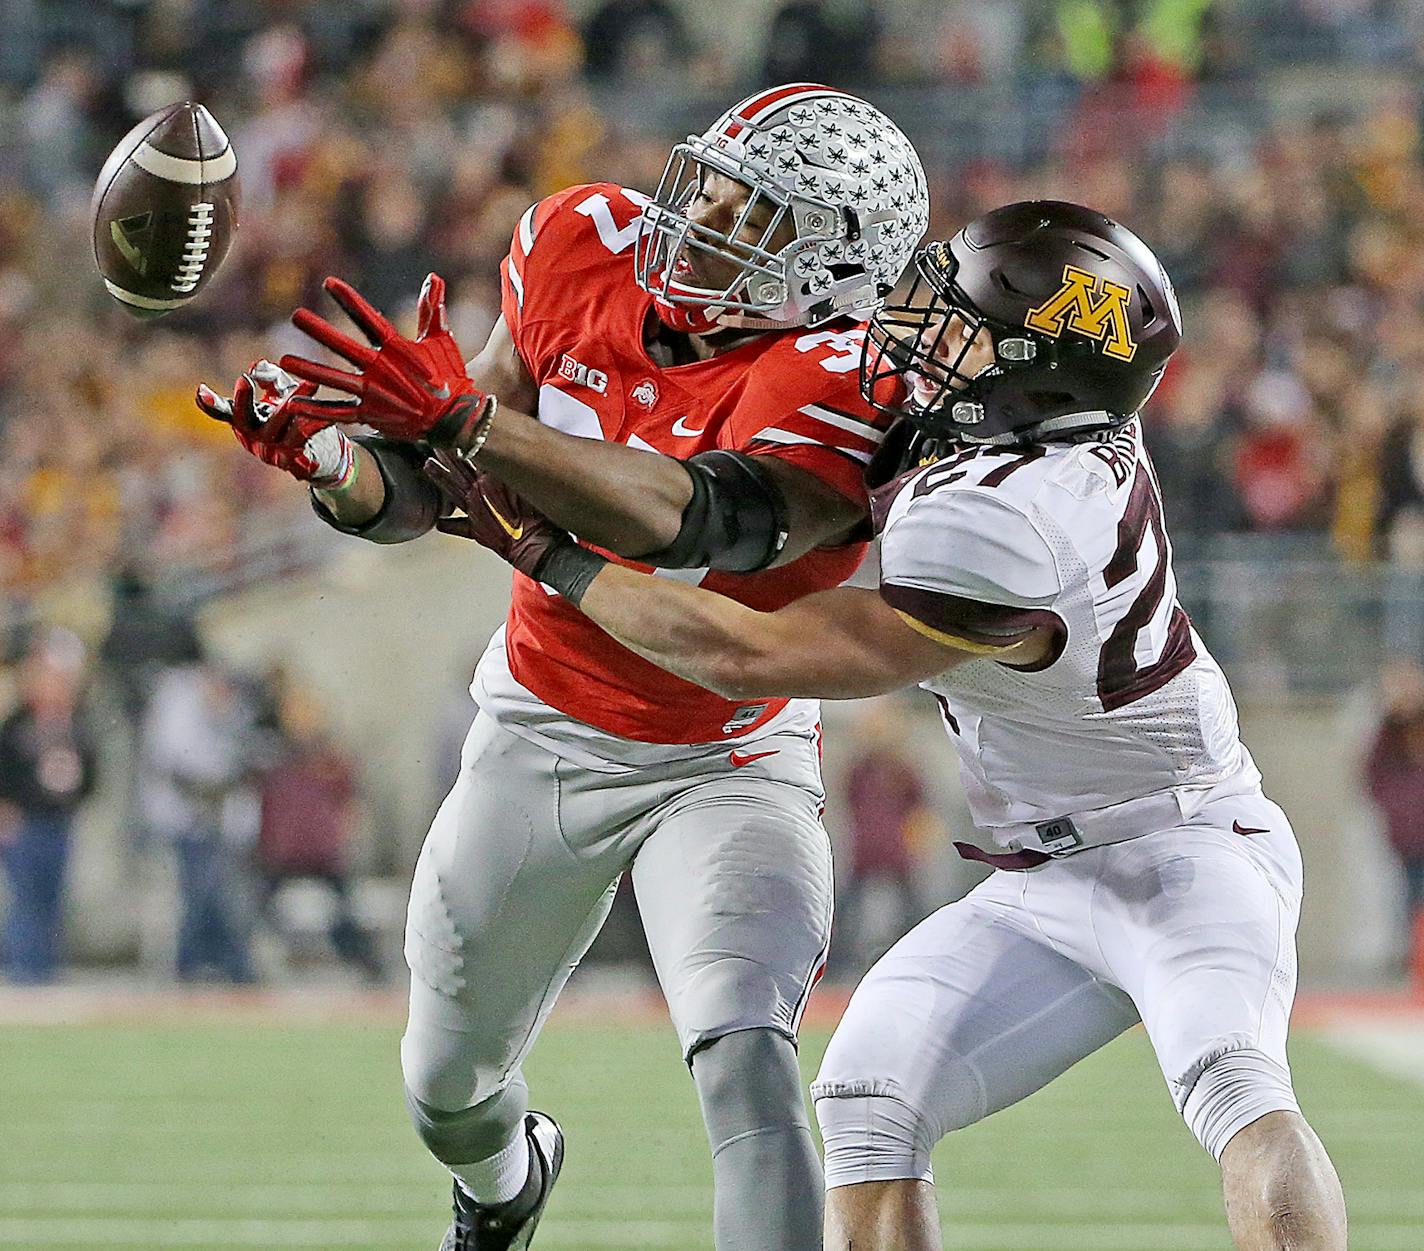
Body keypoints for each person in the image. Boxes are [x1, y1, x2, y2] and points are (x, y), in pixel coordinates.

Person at [430, 200, 1349, 1251]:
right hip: (1042, 872)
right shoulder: (1052, 432)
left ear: (1035, 373)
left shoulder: (1003, 520)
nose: (916, 332)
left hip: (1182, 849)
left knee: (1229, 1080)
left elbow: (749, 652)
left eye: (957, 324)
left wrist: (555, 556)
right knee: (866, 1097)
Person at [197, 84, 928, 1251]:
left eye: (756, 216)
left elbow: (695, 521)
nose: (706, 220)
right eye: (716, 185)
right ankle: (503, 1184)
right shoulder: (582, 241)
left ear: (836, 267)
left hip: (724, 755)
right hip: (539, 722)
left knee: (746, 1062)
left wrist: (466, 426)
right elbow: (441, 488)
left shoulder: (845, 372)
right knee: (445, 1089)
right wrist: (341, 464)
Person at [0, 628, 97, 984]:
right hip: (23, 822)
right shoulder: (16, 723)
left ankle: (43, 970)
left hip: (59, 820)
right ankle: (27, 972)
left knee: (51, 900)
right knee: (27, 899)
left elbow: (89, 773)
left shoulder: (76, 724)